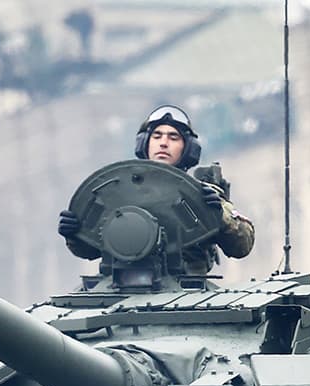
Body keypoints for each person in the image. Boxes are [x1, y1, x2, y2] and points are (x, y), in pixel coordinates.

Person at [58, 105, 255, 273]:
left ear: (188, 149)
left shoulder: (201, 194)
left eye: (173, 137)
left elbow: (242, 245)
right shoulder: (117, 191)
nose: (163, 143)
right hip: (120, 287)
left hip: (188, 290)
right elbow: (89, 250)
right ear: (145, 143)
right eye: (157, 136)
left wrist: (220, 215)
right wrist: (75, 233)